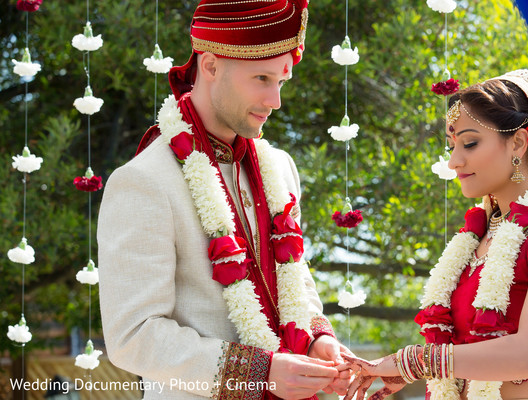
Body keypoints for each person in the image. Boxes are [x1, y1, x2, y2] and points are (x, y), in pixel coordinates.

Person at [97, 1, 351, 399]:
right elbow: (132, 336)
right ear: (211, 65)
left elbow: (295, 279)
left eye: (281, 82)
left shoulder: (280, 167)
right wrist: (259, 373)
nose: (275, 100)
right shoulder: (143, 181)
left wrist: (318, 338)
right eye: (262, 78)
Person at [341, 69, 528, 400]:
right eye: (452, 145)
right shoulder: (480, 234)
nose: (454, 161)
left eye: (470, 143)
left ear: (518, 142)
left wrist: (416, 362)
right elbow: (465, 344)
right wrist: (417, 373)